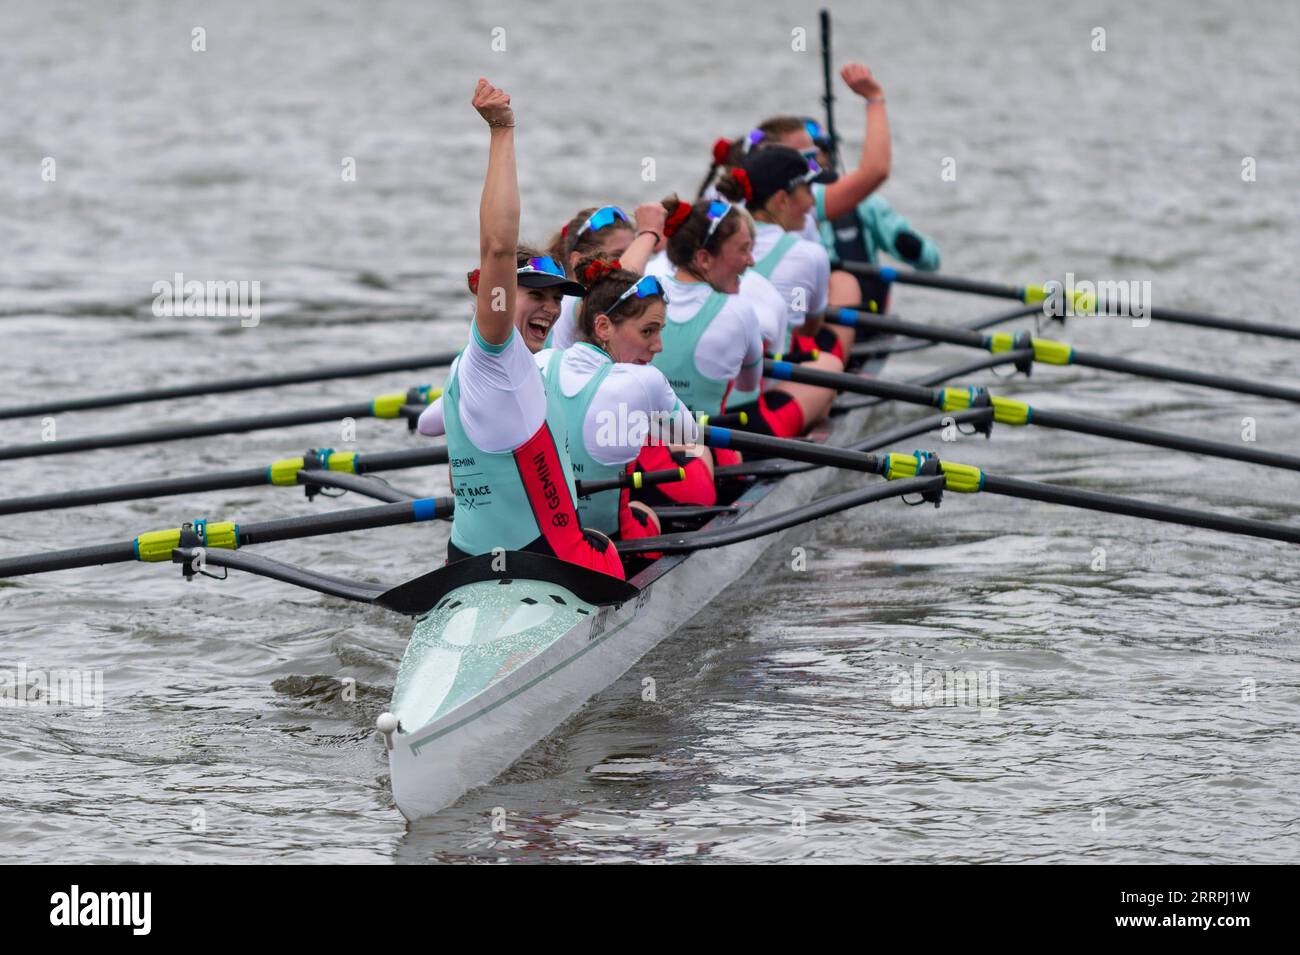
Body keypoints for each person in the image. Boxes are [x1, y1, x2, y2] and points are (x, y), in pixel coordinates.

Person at [419, 78, 624, 578]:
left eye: (557, 299)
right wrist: (502, 133)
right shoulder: (496, 355)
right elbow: (497, 248)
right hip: (547, 564)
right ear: (501, 294)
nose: (550, 311)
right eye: (536, 296)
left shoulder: (462, 368)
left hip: (466, 561)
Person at [538, 256, 698, 542]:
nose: (658, 346)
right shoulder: (645, 380)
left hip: (541, 543)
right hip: (611, 549)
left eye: (660, 331)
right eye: (647, 331)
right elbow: (688, 436)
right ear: (603, 327)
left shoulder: (542, 361)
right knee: (649, 504)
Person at [712, 146, 846, 436]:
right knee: (830, 362)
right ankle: (817, 426)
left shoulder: (710, 243)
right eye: (808, 191)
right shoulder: (809, 254)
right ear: (781, 200)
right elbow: (809, 331)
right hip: (753, 408)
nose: (812, 203)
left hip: (699, 404)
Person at [544, 202, 667, 349]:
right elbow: (618, 287)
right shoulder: (573, 302)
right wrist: (649, 232)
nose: (628, 261)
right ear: (577, 260)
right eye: (617, 255)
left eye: (631, 252)